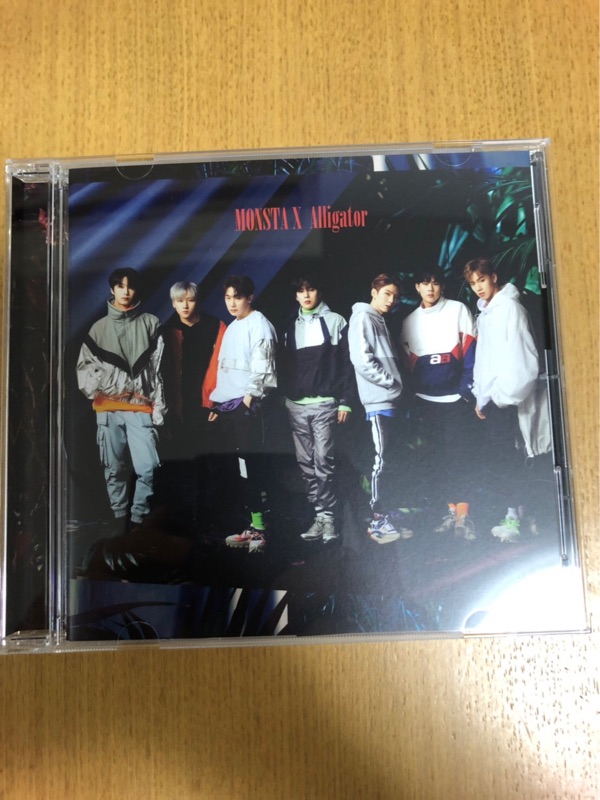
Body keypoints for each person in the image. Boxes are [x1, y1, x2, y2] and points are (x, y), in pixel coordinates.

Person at [464, 256, 548, 541]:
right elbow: (485, 359)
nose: (478, 287)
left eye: (482, 280)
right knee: (508, 457)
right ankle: (521, 514)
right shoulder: (487, 312)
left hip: (510, 398)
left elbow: (523, 356)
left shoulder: (509, 307)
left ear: (494, 277)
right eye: (473, 283)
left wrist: (501, 394)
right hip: (496, 399)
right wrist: (481, 396)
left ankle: (515, 518)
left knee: (514, 457)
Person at [76, 267, 165, 532]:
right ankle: (119, 520)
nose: (125, 292)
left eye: (130, 286)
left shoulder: (151, 323)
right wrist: (111, 385)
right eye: (120, 286)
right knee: (113, 469)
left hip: (141, 408)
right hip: (108, 410)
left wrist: (159, 407)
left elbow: (159, 371)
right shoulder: (98, 329)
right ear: (112, 289)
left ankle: (137, 520)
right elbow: (84, 372)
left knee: (148, 468)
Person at [400, 266, 477, 539]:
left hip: (456, 400)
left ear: (441, 286)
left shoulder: (458, 310)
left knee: (460, 456)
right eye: (425, 283)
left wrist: (465, 391)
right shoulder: (409, 321)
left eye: (435, 283)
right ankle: (449, 512)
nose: (430, 288)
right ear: (417, 287)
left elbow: (471, 353)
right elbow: (407, 367)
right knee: (437, 459)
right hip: (426, 402)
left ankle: (464, 517)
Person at [282, 273, 354, 543]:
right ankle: (320, 515)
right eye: (301, 290)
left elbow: (348, 364)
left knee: (324, 461)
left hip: (325, 404)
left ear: (319, 292)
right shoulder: (289, 325)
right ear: (296, 294)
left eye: (310, 289)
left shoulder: (336, 321)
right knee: (306, 465)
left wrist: (345, 401)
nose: (306, 295)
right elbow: (284, 365)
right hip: (296, 406)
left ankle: (330, 517)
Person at [208, 275, 277, 552]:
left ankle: (261, 531)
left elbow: (263, 367)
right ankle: (251, 526)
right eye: (228, 297)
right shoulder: (233, 327)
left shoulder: (259, 324)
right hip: (229, 408)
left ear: (250, 297)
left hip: (246, 407)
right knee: (239, 470)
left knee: (253, 467)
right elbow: (226, 371)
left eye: (237, 297)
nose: (232, 303)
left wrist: (248, 400)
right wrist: (219, 405)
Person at [348, 274, 413, 544]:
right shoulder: (362, 317)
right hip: (378, 401)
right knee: (381, 460)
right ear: (374, 292)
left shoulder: (380, 319)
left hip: (390, 400)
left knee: (390, 459)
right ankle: (377, 520)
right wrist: (391, 383)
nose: (391, 300)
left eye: (395, 296)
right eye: (387, 294)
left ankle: (387, 515)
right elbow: (362, 361)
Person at [159, 281, 226, 529]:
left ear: (198, 301)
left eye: (190, 300)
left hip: (208, 407)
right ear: (173, 304)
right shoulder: (167, 331)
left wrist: (217, 404)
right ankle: (186, 522)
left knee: (211, 467)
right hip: (179, 410)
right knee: (182, 466)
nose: (185, 305)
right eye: (180, 301)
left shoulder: (215, 326)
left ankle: (212, 521)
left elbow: (224, 366)